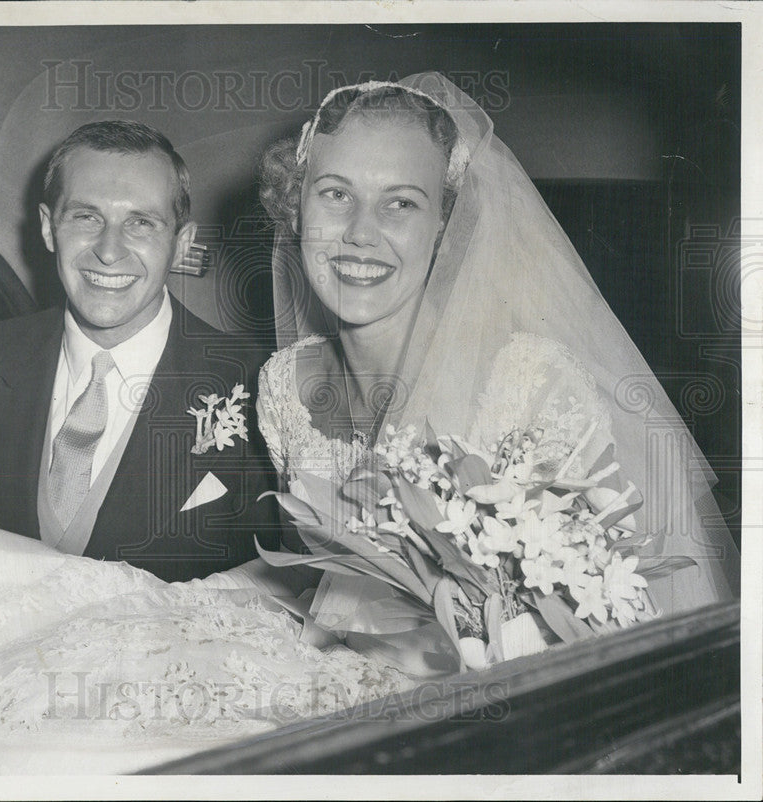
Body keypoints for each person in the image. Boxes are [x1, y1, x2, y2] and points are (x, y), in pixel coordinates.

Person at [252, 72, 740, 625]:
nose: (362, 232)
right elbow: (325, 582)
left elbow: (612, 612)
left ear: (446, 225)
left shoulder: (531, 385)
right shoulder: (283, 384)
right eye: (336, 194)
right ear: (294, 209)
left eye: (402, 203)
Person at [0, 120, 281, 583]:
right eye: (86, 217)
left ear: (181, 245)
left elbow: (283, 584)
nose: (109, 251)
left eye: (141, 223)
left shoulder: (257, 384)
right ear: (50, 229)